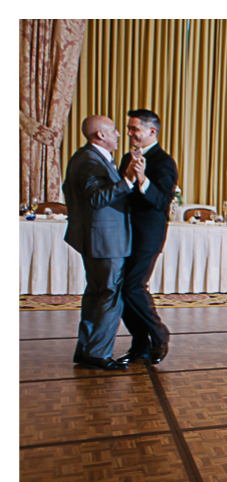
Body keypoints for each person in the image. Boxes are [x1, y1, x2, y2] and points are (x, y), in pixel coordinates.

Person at [63, 115, 137, 371]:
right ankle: (98, 353)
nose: (119, 134)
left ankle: (86, 349)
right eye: (114, 130)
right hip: (105, 240)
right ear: (100, 135)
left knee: (95, 295)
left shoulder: (88, 157)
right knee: (108, 295)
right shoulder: (88, 160)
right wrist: (127, 181)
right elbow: (95, 199)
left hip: (100, 239)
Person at [115, 109, 177, 365]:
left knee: (132, 286)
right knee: (121, 289)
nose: (129, 134)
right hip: (123, 233)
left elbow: (162, 201)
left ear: (151, 131)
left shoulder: (164, 162)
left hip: (148, 235)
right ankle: (139, 344)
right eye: (128, 128)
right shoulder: (127, 158)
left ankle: (160, 334)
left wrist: (142, 180)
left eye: (134, 129)